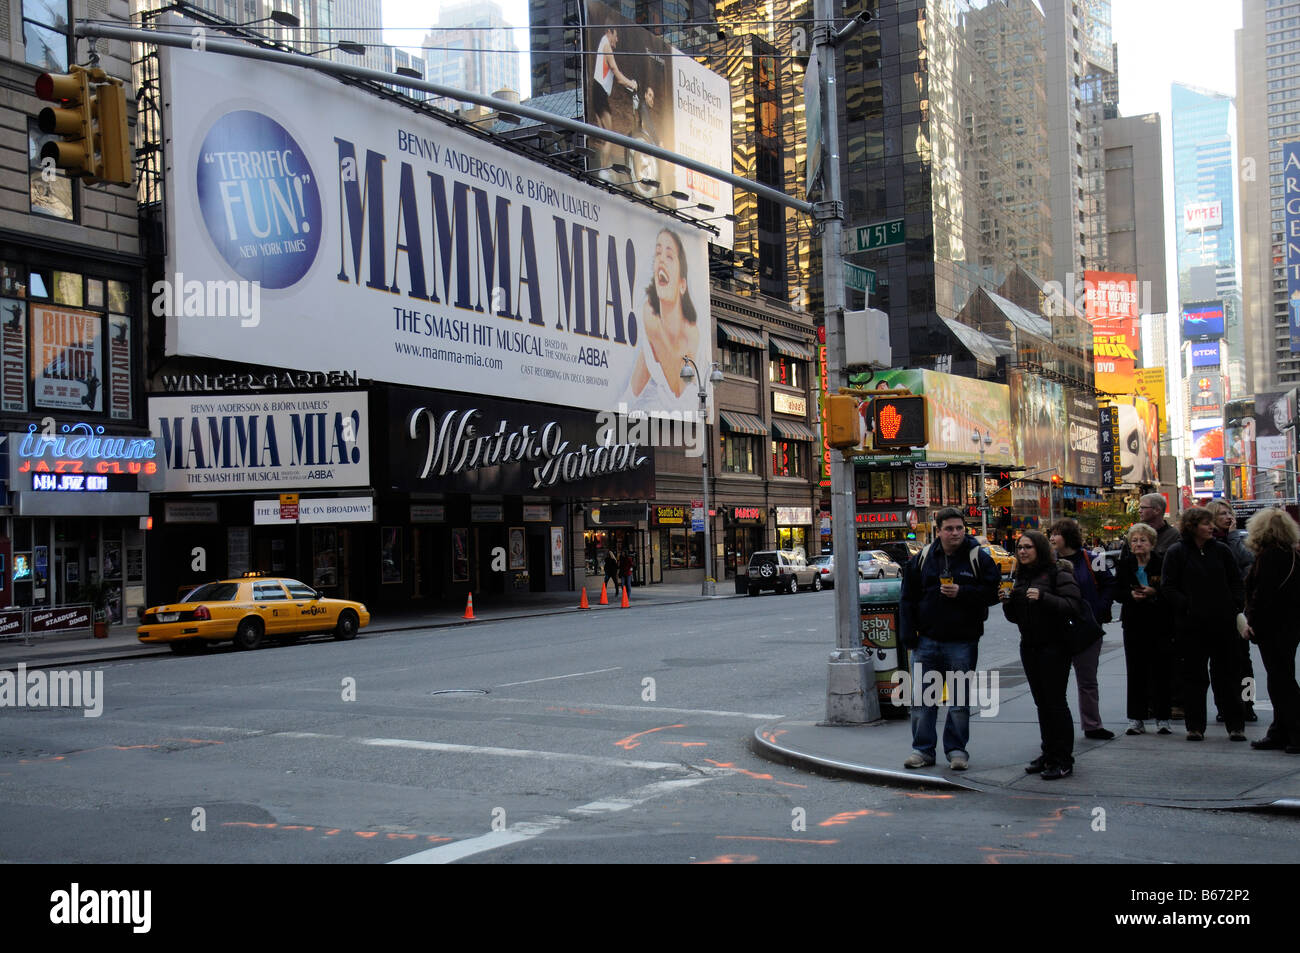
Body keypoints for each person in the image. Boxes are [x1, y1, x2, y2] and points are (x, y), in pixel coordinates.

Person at [898, 508, 1000, 771]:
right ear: (939, 530)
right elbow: (907, 598)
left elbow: (992, 593)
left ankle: (956, 751)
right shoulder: (922, 558)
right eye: (950, 528)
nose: (955, 533)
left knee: (958, 702)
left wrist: (962, 592)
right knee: (922, 700)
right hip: (927, 641)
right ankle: (922, 751)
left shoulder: (978, 557)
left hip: (962, 642)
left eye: (959, 528)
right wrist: (909, 635)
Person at [1160, 507, 1248, 742]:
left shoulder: (1222, 551)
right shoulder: (1177, 552)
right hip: (1191, 626)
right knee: (1194, 677)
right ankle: (1195, 726)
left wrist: (1235, 605)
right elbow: (1168, 586)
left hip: (1223, 624)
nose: (1211, 527)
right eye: (1205, 523)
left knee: (1227, 676)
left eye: (1211, 523)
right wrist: (1186, 606)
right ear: (1192, 526)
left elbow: (1236, 582)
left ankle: (1236, 725)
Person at [1001, 530, 1081, 780]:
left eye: (1028, 547)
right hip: (1030, 646)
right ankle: (1048, 753)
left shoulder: (1058, 573)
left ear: (1040, 549)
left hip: (1055, 646)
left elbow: (1073, 606)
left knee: (1056, 703)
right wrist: (1008, 602)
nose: (1023, 551)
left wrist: (1044, 597)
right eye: (1020, 547)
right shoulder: (1021, 576)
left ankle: (1063, 759)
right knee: (1042, 704)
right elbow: (1017, 617)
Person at [1048, 518, 1114, 740]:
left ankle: (1092, 725)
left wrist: (1099, 609)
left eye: (1055, 533)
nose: (1051, 538)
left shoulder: (1093, 559)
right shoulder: (1050, 564)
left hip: (1086, 630)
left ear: (1066, 536)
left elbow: (1109, 585)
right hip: (1057, 630)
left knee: (1087, 680)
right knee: (1055, 683)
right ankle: (1056, 729)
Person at [623, 229, 701, 414]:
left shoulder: (695, 336)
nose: (661, 260)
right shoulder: (649, 318)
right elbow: (631, 392)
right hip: (662, 430)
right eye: (658, 254)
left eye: (669, 256)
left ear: (683, 285)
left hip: (684, 431)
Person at [1242, 508, 1300, 753]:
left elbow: (1262, 594)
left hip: (1273, 626)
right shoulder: (1293, 555)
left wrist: (1250, 622)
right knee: (1282, 677)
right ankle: (1279, 730)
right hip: (1290, 625)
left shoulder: (1269, 556)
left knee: (1281, 681)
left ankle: (1294, 732)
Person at [1113, 522, 1173, 735]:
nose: (1138, 544)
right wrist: (1130, 595)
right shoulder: (1125, 564)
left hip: (1158, 623)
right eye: (1134, 541)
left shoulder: (1162, 562)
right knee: (1136, 671)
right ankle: (1136, 719)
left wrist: (1154, 592)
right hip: (1134, 622)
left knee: (1160, 671)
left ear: (1152, 543)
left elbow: (1170, 590)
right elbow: (1117, 591)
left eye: (1143, 540)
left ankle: (1163, 717)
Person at [1206, 499, 1258, 723]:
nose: (1228, 517)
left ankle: (1248, 704)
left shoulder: (1240, 538)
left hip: (1239, 609)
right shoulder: (1207, 543)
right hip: (1215, 610)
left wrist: (1234, 535)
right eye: (1222, 514)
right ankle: (1223, 706)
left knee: (1243, 662)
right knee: (1218, 664)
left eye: (1230, 513)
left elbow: (1246, 559)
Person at [589, 27, 637, 178]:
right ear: (609, 32)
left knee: (605, 136)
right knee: (609, 136)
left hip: (597, 91)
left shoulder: (603, 43)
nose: (617, 39)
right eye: (616, 36)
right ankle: (604, 171)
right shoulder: (607, 46)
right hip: (600, 93)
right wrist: (632, 84)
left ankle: (605, 169)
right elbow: (618, 76)